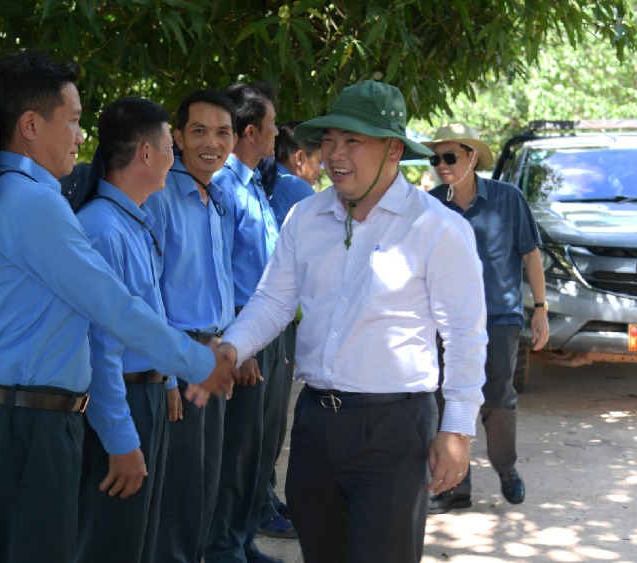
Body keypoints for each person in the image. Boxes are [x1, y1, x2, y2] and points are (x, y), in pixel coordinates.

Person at [0, 50, 236, 563]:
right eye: (75, 121)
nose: (83, 138)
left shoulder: (9, 191)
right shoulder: (33, 202)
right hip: (27, 423)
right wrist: (198, 362)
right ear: (32, 125)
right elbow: (113, 308)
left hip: (19, 414)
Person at [219, 80, 488, 563]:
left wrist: (457, 429)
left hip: (394, 427)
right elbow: (273, 302)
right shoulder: (305, 216)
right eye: (329, 140)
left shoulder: (438, 228)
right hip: (316, 423)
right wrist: (230, 347)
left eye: (353, 141)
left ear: (393, 150)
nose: (335, 154)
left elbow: (465, 335)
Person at [74, 97, 178, 562]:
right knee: (110, 542)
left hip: (148, 395)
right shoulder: (100, 228)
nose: (175, 159)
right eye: (171, 147)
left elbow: (149, 313)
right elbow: (99, 347)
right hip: (122, 401)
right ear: (146, 154)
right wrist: (120, 438)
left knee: (139, 540)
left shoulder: (134, 221)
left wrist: (169, 378)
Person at [424, 123, 549, 513]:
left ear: (472, 157)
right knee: (445, 402)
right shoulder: (431, 206)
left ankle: (506, 468)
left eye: (450, 157)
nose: (442, 165)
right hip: (445, 322)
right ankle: (453, 489)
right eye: (436, 158)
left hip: (499, 318)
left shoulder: (508, 199)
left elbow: (530, 255)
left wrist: (541, 310)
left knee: (497, 400)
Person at [144, 89, 239, 563]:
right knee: (178, 491)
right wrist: (162, 375)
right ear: (177, 137)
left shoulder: (216, 197)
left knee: (205, 481)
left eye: (223, 133)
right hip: (177, 361)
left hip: (211, 356)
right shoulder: (161, 198)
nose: (211, 143)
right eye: (198, 131)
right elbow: (149, 293)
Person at [207, 82, 288, 563]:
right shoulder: (222, 186)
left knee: (259, 448)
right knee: (234, 451)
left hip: (269, 330)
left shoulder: (254, 183)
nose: (278, 135)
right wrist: (239, 344)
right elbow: (219, 271)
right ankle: (221, 548)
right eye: (273, 126)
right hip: (243, 332)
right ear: (251, 130)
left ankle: (241, 541)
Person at [252, 119, 322, 540]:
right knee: (267, 425)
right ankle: (261, 503)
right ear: (299, 158)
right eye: (317, 162)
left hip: (258, 318)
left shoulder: (263, 185)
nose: (320, 173)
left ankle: (266, 496)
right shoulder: (297, 191)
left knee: (263, 424)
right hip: (274, 322)